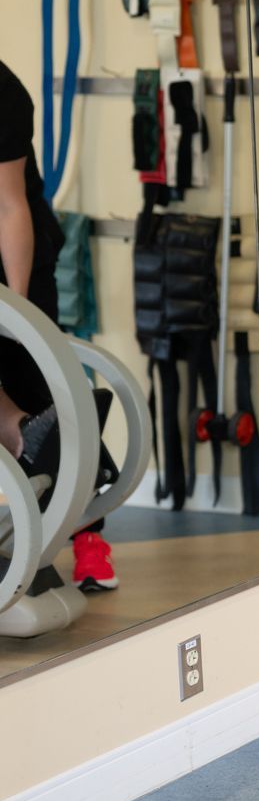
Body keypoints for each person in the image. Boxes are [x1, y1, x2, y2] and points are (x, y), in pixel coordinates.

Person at [0, 59, 118, 592]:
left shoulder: (3, 91)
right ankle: (16, 431)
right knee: (27, 420)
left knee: (39, 383)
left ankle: (89, 538)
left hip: (15, 249)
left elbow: (9, 206)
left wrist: (16, 316)